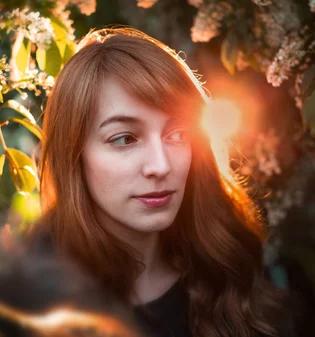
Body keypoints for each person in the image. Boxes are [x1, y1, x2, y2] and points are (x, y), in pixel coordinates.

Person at [26, 27, 293, 337]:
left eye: (177, 135)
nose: (161, 165)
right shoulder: (22, 304)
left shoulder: (239, 269)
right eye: (125, 138)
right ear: (73, 154)